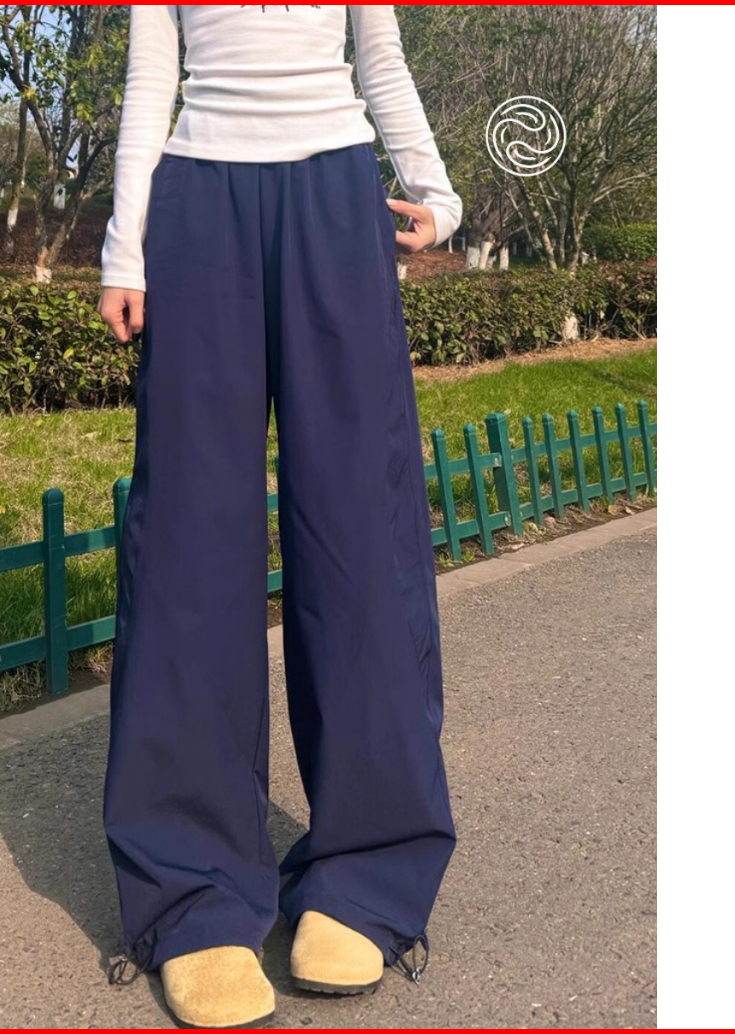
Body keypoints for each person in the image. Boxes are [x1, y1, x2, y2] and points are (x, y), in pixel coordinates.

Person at [98, 6, 461, 1029]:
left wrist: (436, 190)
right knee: (186, 545)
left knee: (358, 533)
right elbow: (149, 79)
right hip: (197, 201)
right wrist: (124, 246)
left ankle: (367, 872)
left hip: (336, 196)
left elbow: (379, 57)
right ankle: (192, 890)